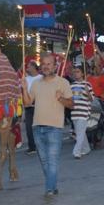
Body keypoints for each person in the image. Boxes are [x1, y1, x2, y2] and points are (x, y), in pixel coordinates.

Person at [21, 54, 73, 197]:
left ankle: (49, 189)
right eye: (43, 63)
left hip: (55, 128)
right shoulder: (36, 83)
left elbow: (71, 104)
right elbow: (27, 103)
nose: (46, 66)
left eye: (49, 64)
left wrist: (61, 98)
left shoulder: (63, 82)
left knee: (52, 161)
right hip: (37, 127)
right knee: (44, 161)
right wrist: (24, 89)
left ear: (55, 66)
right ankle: (53, 185)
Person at [70, 66, 94, 159]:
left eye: (78, 71)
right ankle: (86, 148)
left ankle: (77, 152)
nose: (76, 73)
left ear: (82, 73)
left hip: (83, 112)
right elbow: (70, 98)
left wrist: (87, 92)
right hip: (74, 112)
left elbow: (92, 99)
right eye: (74, 72)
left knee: (79, 134)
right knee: (80, 132)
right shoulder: (71, 85)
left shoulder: (87, 85)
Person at [24, 61, 42, 155]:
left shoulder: (41, 78)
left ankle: (42, 144)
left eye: (29, 66)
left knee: (40, 126)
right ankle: (32, 146)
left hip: (39, 104)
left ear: (34, 67)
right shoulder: (25, 79)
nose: (27, 68)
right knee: (28, 127)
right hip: (28, 105)